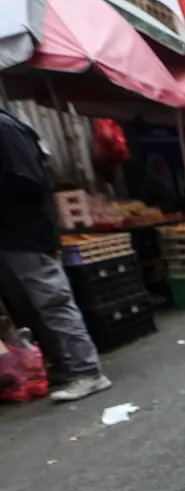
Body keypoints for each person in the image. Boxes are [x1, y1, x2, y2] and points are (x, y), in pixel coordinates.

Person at [0, 109, 111, 402]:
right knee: (32, 307)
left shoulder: (5, 128)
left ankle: (89, 372)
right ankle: (65, 365)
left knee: (53, 303)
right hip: (12, 237)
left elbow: (29, 181)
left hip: (26, 234)